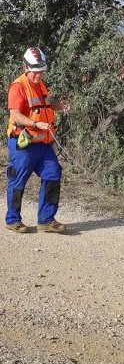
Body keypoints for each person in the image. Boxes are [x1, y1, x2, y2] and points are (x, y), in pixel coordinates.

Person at [5, 47, 69, 233]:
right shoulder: (17, 87)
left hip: (43, 144)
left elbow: (45, 106)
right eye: (35, 71)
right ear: (25, 67)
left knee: (53, 174)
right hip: (23, 144)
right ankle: (13, 220)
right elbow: (16, 115)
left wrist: (60, 107)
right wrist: (35, 123)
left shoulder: (41, 84)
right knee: (18, 181)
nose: (38, 75)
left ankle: (47, 220)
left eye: (41, 71)